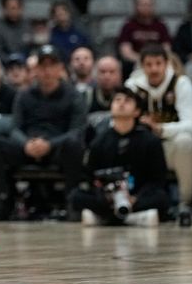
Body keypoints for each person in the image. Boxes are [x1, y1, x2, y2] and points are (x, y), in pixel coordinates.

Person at [0, 45, 87, 221]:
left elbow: (77, 130)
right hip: (27, 148)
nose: (47, 70)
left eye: (51, 65)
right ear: (35, 69)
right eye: (42, 66)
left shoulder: (74, 95)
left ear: (60, 68)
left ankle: (71, 201)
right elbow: (14, 128)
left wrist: (50, 145)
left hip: (57, 148)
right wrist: (26, 144)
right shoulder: (24, 95)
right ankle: (4, 200)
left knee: (75, 145)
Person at [69, 87, 168, 227]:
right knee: (76, 196)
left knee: (161, 198)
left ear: (137, 111)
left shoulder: (150, 141)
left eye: (127, 101)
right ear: (111, 107)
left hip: (136, 194)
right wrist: (105, 195)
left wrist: (135, 198)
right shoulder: (100, 141)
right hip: (107, 196)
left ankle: (105, 218)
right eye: (117, 100)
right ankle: (133, 218)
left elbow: (157, 179)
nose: (121, 103)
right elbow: (90, 176)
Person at [125, 43, 192, 226]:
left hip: (169, 145)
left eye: (158, 63)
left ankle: (184, 203)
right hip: (142, 147)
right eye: (149, 64)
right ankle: (130, 200)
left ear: (167, 64)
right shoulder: (132, 85)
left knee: (186, 141)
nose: (154, 69)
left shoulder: (181, 84)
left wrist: (161, 129)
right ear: (142, 66)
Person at [118, 0, 172, 70]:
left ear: (153, 6)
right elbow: (126, 51)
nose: (145, 7)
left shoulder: (161, 26)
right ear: (136, 6)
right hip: (134, 64)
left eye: (148, 4)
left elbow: (166, 49)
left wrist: (154, 61)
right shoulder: (128, 25)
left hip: (157, 63)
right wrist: (144, 60)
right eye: (142, 4)